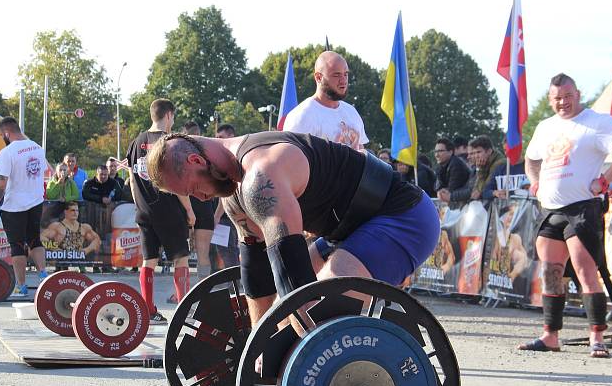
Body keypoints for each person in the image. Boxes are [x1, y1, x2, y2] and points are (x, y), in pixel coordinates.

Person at [146, 131, 440, 335]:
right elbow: (258, 280)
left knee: (321, 306)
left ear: (196, 162)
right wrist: (256, 349)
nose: (199, 199)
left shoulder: (261, 174)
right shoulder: (234, 196)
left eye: (193, 190)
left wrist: (285, 354)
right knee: (279, 321)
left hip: (404, 216)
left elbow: (295, 280)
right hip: (350, 231)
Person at [519, 73, 612, 358]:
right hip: (551, 210)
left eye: (568, 96)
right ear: (550, 99)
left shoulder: (596, 122)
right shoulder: (545, 127)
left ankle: (596, 336)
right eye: (558, 98)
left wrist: (606, 178)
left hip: (583, 208)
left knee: (586, 270)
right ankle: (550, 335)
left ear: (578, 94)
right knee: (550, 272)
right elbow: (531, 159)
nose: (563, 102)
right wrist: (535, 182)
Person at [126, 99, 195, 325]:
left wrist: (140, 205)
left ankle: (148, 310)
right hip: (169, 210)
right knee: (181, 259)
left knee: (149, 261)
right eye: (173, 118)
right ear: (168, 115)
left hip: (144, 211)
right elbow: (177, 181)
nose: (173, 122)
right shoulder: (170, 142)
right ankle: (183, 310)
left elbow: (131, 178)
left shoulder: (137, 141)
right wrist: (189, 210)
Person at [0, 116, 50, 297]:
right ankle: (43, 276)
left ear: (7, 133)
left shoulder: (7, 152)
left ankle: (21, 286)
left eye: (2, 135)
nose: (2, 138)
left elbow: (1, 183)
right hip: (36, 201)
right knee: (34, 239)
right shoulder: (38, 148)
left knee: (17, 245)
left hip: (15, 205)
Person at [282, 51, 368, 150]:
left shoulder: (351, 112)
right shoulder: (302, 116)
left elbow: (361, 152)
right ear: (319, 77)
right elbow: (292, 160)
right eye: (336, 75)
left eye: (346, 74)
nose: (343, 80)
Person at [182, 120, 216, 293]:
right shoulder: (210, 153)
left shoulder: (180, 154)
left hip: (188, 206)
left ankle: (185, 292)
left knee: (183, 256)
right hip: (205, 205)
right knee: (203, 253)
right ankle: (203, 291)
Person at [211, 124, 241, 270]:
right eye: (216, 138)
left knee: (228, 254)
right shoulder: (228, 157)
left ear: (231, 136)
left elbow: (227, 192)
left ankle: (234, 288)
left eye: (220, 137)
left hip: (227, 217)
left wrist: (216, 217)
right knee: (229, 253)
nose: (217, 140)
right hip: (232, 216)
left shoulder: (230, 159)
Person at [467, 135, 506, 203]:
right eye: (474, 153)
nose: (476, 156)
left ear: (489, 151)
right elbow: (476, 190)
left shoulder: (498, 163)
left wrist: (481, 170)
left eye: (479, 152)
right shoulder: (483, 163)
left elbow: (484, 189)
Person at [434, 137, 471, 202]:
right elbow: (437, 188)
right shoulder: (440, 167)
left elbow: (451, 191)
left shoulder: (456, 165)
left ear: (450, 152)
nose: (437, 155)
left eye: (440, 151)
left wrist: (443, 191)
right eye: (436, 151)